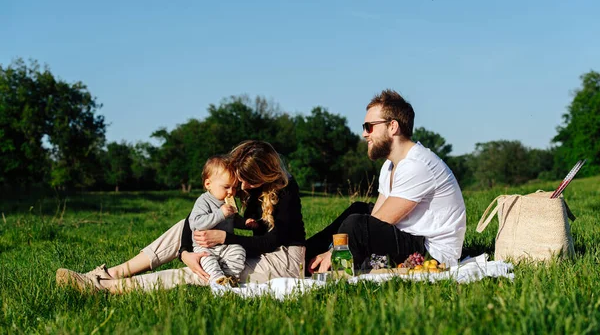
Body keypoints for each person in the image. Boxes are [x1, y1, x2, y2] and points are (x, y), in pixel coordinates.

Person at [56, 140, 306, 293]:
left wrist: (225, 238)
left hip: (283, 261)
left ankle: (108, 288)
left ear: (265, 175)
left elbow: (272, 242)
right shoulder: (239, 182)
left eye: (248, 181)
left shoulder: (285, 189)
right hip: (254, 251)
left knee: (206, 273)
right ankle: (112, 273)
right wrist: (186, 252)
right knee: (185, 228)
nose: (241, 186)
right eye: (239, 179)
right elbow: (194, 218)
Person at [307, 89, 466, 273]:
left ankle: (328, 264)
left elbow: (381, 221)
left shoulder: (417, 165)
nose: (364, 134)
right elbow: (374, 218)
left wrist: (335, 249)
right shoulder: (390, 166)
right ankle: (301, 254)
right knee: (358, 210)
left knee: (356, 226)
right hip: (410, 236)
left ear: (392, 126)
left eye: (369, 126)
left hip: (433, 252)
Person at [188, 155, 255, 286]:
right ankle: (218, 280)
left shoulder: (228, 201)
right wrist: (220, 214)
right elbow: (196, 223)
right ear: (208, 184)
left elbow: (233, 220)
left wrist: (245, 223)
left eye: (234, 187)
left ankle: (230, 276)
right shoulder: (204, 201)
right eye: (226, 187)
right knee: (208, 260)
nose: (231, 192)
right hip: (205, 247)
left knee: (239, 251)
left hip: (225, 245)